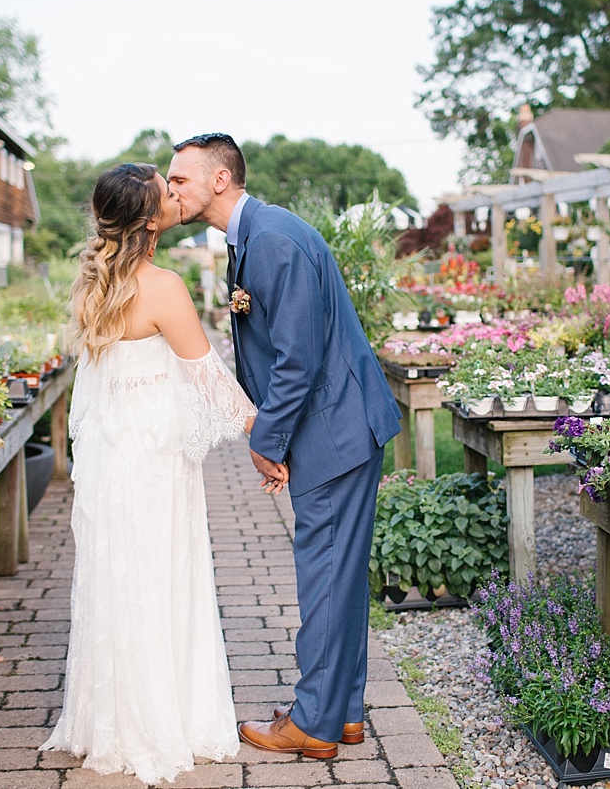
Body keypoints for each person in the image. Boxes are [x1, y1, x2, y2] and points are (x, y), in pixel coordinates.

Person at [166, 133, 402, 759]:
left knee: (322, 576)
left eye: (181, 179)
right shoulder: (255, 234)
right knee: (341, 575)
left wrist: (266, 441)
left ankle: (315, 724)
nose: (172, 190)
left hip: (333, 429)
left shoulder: (270, 239)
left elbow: (297, 359)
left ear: (220, 179)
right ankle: (343, 711)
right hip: (340, 425)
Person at [40, 162, 258, 784]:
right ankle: (163, 721)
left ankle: (109, 719)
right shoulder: (162, 287)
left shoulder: (92, 286)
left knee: (116, 573)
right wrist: (270, 438)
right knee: (159, 574)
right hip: (154, 460)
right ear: (151, 219)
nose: (176, 195)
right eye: (167, 192)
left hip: (111, 457)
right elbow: (212, 382)